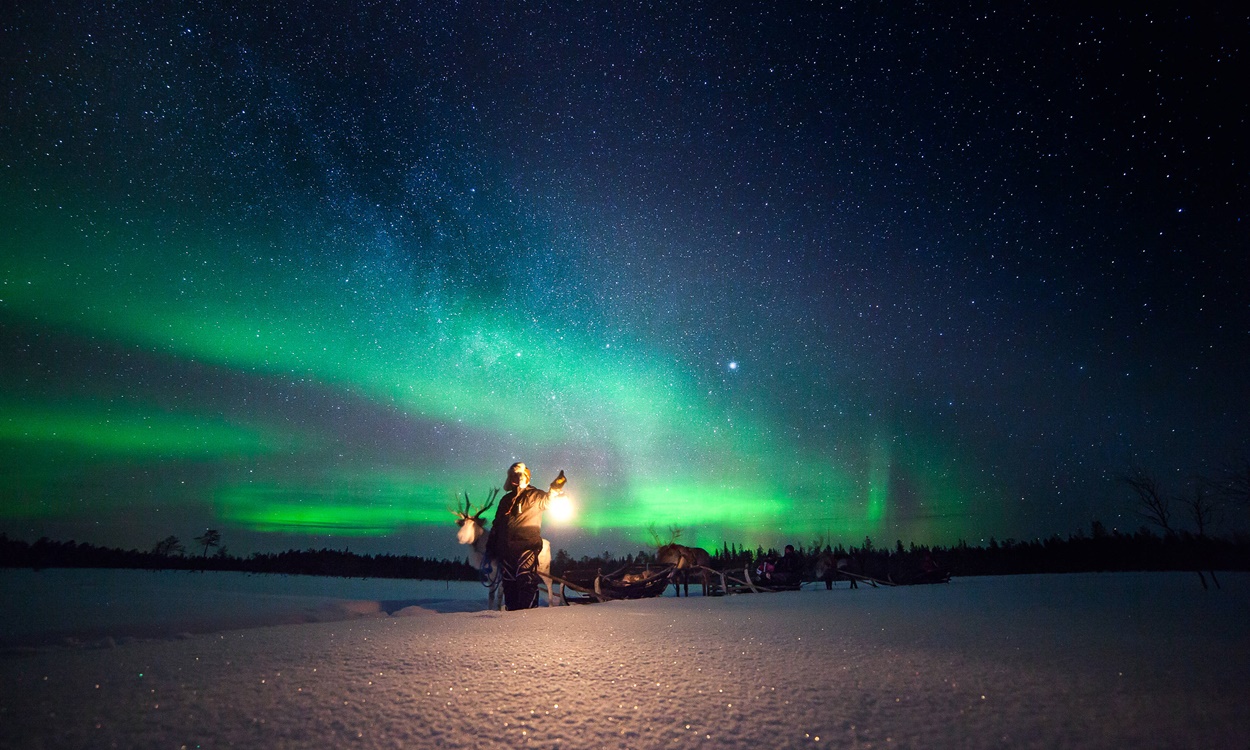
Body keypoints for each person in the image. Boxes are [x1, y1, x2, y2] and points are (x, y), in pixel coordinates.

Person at [487, 462, 564, 610]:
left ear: (525, 477)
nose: (515, 478)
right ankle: (513, 617)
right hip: (506, 550)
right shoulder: (505, 500)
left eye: (518, 475)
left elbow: (548, 500)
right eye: (512, 476)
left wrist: (555, 488)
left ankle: (527, 616)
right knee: (509, 583)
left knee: (525, 578)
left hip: (527, 545)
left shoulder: (535, 495)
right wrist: (491, 546)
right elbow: (497, 525)